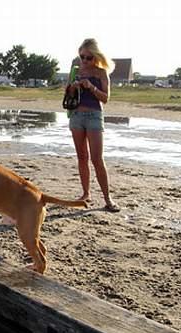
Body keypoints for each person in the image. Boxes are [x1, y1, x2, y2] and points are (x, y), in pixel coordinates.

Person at [66, 38, 120, 212]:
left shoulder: (101, 73)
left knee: (97, 159)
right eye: (82, 56)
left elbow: (106, 98)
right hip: (76, 116)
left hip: (94, 116)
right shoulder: (75, 70)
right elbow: (67, 92)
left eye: (89, 57)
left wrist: (91, 87)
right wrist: (73, 87)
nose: (85, 61)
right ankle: (85, 194)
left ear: (96, 56)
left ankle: (107, 198)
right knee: (82, 157)